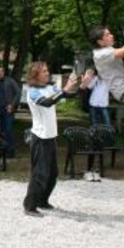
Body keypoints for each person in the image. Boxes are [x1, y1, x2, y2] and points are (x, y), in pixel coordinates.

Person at [23, 61, 79, 218]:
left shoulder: (50, 87)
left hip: (50, 136)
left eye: (47, 70)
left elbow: (65, 95)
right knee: (39, 174)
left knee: (53, 173)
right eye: (44, 71)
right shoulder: (33, 91)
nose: (48, 73)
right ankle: (29, 206)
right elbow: (47, 103)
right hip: (39, 138)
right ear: (35, 75)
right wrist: (64, 90)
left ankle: (42, 201)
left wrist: (81, 87)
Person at [0, 66, 21, 158]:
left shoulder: (10, 81)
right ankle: (3, 150)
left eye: (1, 71)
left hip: (8, 109)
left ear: (4, 72)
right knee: (1, 131)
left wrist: (12, 104)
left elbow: (18, 92)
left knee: (8, 130)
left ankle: (11, 151)